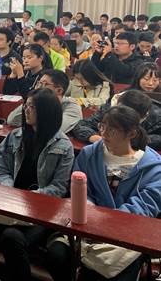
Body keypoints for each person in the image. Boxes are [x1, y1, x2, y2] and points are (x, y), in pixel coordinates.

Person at [47, 105, 161, 281]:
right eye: (102, 126)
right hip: (87, 224)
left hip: (127, 233)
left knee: (113, 271)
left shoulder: (152, 167)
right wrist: (88, 211)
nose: (104, 133)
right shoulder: (89, 154)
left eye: (112, 130)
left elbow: (145, 206)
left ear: (131, 133)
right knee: (57, 254)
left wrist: (105, 224)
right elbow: (82, 192)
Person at [0, 88, 74, 281]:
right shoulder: (15, 136)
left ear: (46, 112)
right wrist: (9, 189)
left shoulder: (63, 145)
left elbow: (59, 187)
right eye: (26, 105)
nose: (26, 110)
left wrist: (29, 198)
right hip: (10, 203)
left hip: (42, 210)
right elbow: (2, 168)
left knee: (12, 237)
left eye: (32, 107)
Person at [71, 89, 161, 150]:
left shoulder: (157, 117)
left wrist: (129, 140)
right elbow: (82, 125)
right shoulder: (111, 110)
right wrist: (96, 138)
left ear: (144, 116)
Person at [7, 70, 82, 133]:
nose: (38, 88)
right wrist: (31, 101)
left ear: (59, 90)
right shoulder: (35, 102)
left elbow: (54, 129)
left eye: (44, 84)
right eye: (39, 83)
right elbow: (12, 120)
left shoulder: (72, 107)